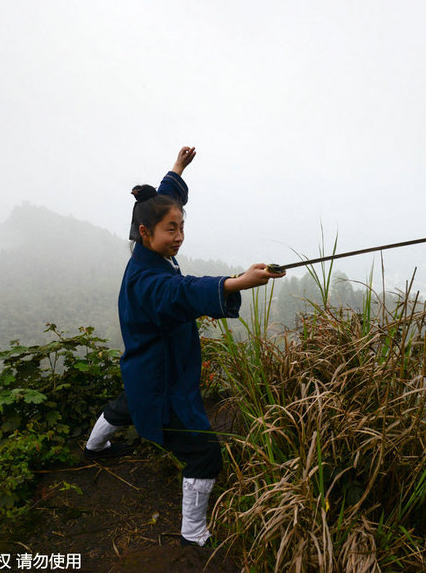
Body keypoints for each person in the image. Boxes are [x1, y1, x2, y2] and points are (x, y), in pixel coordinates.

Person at [83, 146, 285, 547]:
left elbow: (161, 201)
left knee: (129, 400)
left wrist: (176, 170)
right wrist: (235, 283)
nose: (178, 236)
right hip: (162, 375)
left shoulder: (145, 232)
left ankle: (94, 446)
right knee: (204, 453)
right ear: (145, 232)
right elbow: (181, 293)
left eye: (180, 226)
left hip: (144, 365)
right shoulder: (147, 280)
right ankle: (193, 533)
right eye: (170, 229)